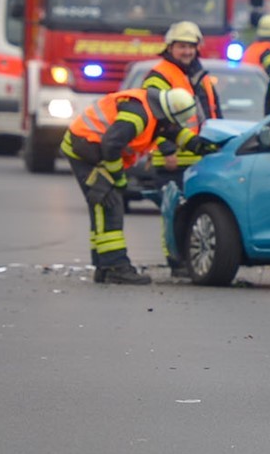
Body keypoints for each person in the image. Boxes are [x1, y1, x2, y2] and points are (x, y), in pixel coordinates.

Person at [60, 86, 212, 284]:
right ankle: (115, 267)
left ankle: (104, 267)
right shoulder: (138, 116)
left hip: (90, 149)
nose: (173, 125)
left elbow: (174, 132)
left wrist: (200, 145)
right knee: (110, 202)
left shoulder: (157, 110)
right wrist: (118, 177)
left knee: (104, 205)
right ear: (169, 112)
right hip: (85, 151)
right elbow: (111, 145)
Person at [142, 21, 221, 172]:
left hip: (201, 158)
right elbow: (155, 116)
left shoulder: (200, 75)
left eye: (191, 46)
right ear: (170, 47)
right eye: (182, 46)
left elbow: (214, 112)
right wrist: (168, 151)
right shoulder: (160, 75)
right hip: (171, 161)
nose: (187, 51)